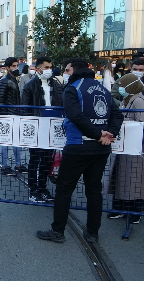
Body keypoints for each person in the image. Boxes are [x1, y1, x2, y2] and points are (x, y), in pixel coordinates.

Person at [36, 57, 124, 243]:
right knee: (93, 190)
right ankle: (92, 232)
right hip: (100, 149)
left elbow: (75, 116)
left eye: (67, 70)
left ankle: (58, 231)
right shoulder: (103, 89)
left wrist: (98, 134)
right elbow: (117, 114)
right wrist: (109, 134)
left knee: (64, 189)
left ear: (75, 70)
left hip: (78, 146)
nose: (65, 74)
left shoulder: (73, 89)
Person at [108, 73, 144, 224]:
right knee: (123, 176)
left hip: (137, 144)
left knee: (135, 178)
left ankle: (134, 211)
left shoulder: (138, 100)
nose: (120, 88)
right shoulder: (128, 99)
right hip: (127, 143)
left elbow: (141, 123)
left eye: (123, 86)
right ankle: (121, 207)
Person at [20, 57, 62, 203]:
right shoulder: (30, 86)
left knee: (47, 160)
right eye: (46, 67)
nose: (49, 69)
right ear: (38, 69)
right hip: (37, 127)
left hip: (51, 127)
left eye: (50, 67)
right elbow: (25, 108)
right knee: (35, 159)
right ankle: (33, 189)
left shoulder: (56, 85)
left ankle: (43, 188)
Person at [0, 57, 25, 175]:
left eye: (17, 66)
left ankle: (18, 164)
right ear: (7, 68)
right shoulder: (5, 80)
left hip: (15, 114)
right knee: (6, 141)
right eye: (13, 66)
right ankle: (4, 166)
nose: (16, 68)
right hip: (8, 115)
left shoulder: (14, 79)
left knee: (16, 140)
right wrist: (3, 115)